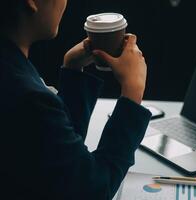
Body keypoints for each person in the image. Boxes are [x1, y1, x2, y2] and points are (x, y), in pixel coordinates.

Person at [0, 0, 151, 199]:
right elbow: (92, 189)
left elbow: (58, 160)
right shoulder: (27, 97)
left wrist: (73, 70)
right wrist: (133, 91)